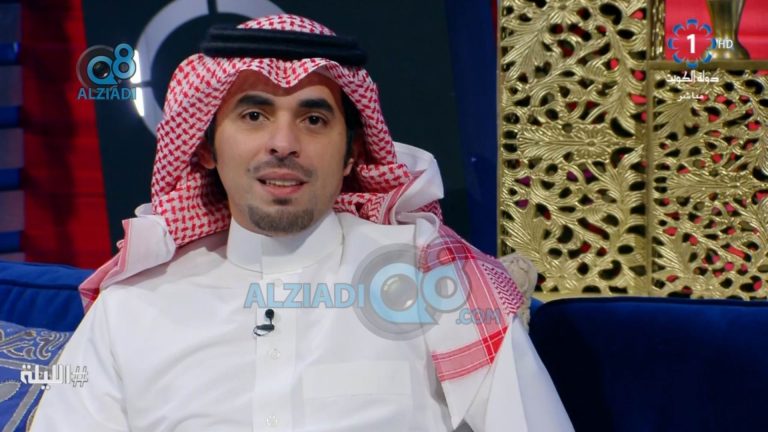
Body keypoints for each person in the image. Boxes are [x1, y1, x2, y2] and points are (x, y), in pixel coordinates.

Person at [31, 14, 572, 431]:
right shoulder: (131, 308)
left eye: (313, 119)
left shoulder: (438, 279)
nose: (283, 143)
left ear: (352, 153)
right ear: (206, 149)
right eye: (254, 115)